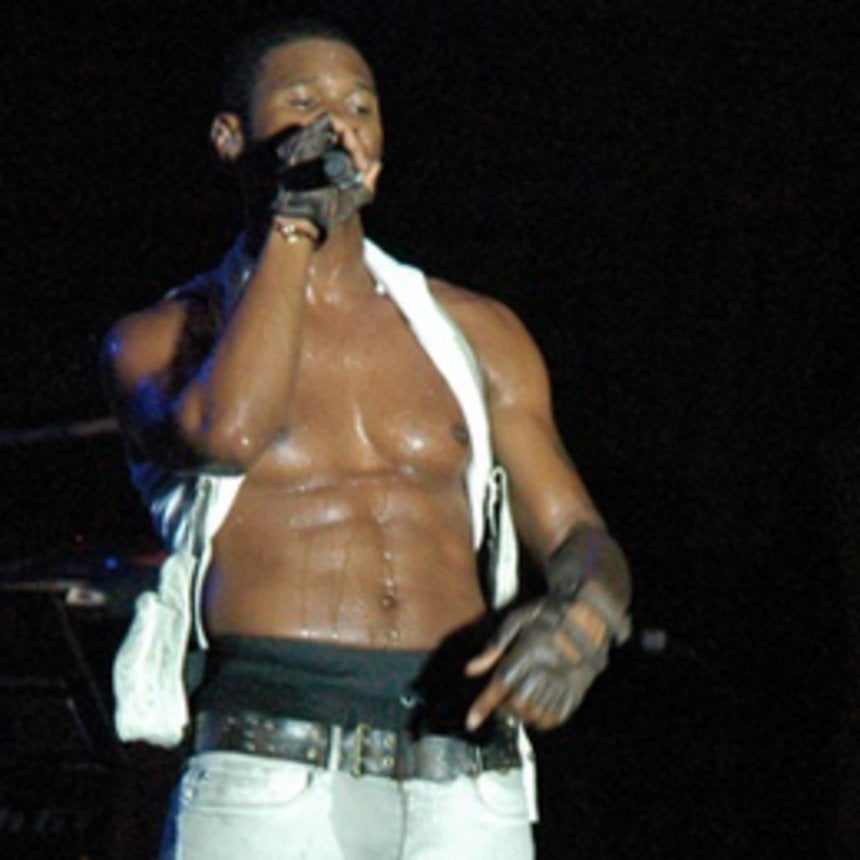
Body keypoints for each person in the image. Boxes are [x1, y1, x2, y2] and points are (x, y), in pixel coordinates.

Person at [102, 17, 632, 860]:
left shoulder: (475, 332)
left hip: (466, 775)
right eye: (302, 104)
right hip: (269, 774)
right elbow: (230, 434)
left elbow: (577, 532)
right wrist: (294, 224)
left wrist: (584, 618)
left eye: (359, 106)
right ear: (232, 138)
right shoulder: (163, 339)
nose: (336, 126)